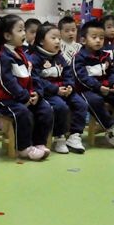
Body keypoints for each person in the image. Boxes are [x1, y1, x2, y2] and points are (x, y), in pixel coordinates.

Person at [0, 15, 52, 161]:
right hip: (8, 100)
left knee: (45, 108)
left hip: (25, 96)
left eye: (24, 29)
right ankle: (24, 148)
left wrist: (37, 93)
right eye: (20, 30)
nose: (24, 33)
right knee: (23, 113)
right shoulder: (3, 57)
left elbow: (33, 77)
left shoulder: (22, 54)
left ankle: (39, 143)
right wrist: (24, 96)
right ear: (7, 36)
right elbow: (7, 82)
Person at [72, 20, 114, 148]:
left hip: (105, 87)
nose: (98, 41)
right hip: (86, 89)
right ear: (83, 40)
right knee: (95, 100)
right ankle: (112, 129)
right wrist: (98, 87)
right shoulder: (79, 57)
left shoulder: (105, 56)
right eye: (94, 37)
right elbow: (81, 77)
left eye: (101, 38)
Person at [28, 23, 87, 154]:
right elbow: (36, 80)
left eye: (59, 38)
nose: (58, 41)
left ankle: (74, 135)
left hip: (64, 90)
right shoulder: (34, 58)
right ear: (41, 41)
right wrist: (56, 90)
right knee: (61, 107)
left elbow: (68, 73)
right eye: (53, 38)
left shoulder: (59, 56)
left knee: (81, 104)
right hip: (49, 93)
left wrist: (69, 86)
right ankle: (59, 137)